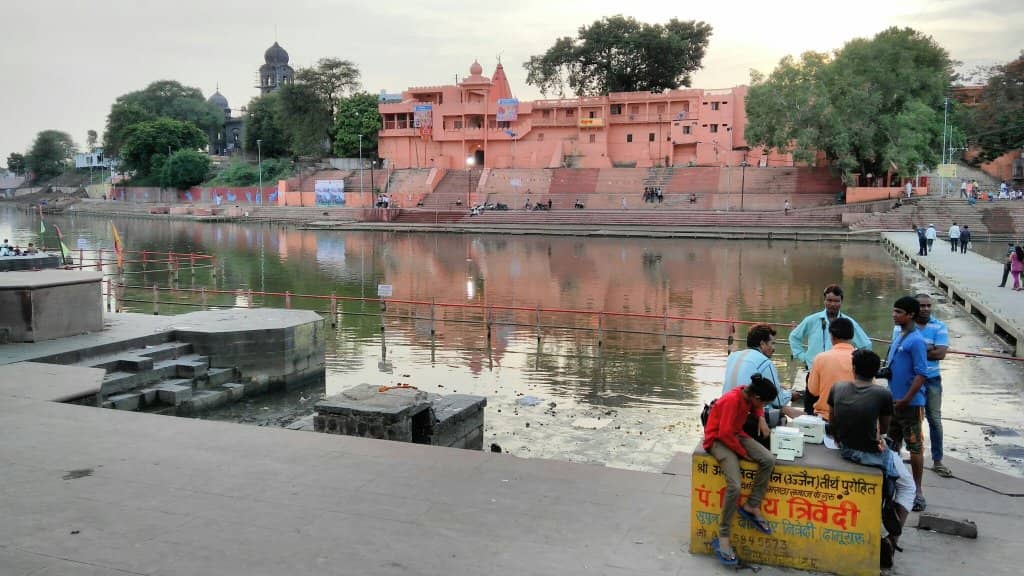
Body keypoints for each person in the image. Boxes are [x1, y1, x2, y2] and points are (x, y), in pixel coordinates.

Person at [828, 349, 915, 561]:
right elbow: (884, 429)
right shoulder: (882, 394)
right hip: (870, 454)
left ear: (854, 368)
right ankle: (893, 539)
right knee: (908, 486)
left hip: (844, 448)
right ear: (876, 372)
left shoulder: (837, 387)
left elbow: (833, 421)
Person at [703, 374, 778, 567]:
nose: (762, 406)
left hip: (736, 434)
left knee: (768, 459)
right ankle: (723, 536)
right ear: (757, 397)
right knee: (735, 487)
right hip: (718, 440)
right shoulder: (731, 401)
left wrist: (761, 419)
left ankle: (752, 505)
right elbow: (724, 434)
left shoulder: (750, 393)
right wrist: (743, 453)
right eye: (764, 403)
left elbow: (757, 408)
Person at [789, 284, 872, 402]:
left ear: (841, 301)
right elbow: (794, 337)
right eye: (829, 300)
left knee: (838, 409)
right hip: (814, 373)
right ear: (824, 300)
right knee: (811, 408)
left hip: (840, 377)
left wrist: (854, 363)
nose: (832, 304)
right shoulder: (812, 320)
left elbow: (866, 345)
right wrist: (803, 357)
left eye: (836, 301)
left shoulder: (849, 323)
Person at [885, 296, 929, 511]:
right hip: (894, 401)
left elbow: (922, 374)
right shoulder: (899, 336)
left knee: (915, 447)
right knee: (891, 446)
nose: (894, 315)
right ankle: (894, 486)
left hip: (910, 404)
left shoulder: (917, 341)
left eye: (898, 312)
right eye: (894, 311)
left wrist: (906, 399)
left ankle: (918, 491)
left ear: (910, 314)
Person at [723, 324, 803, 433]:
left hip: (727, 409)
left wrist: (779, 387)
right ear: (762, 344)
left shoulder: (733, 356)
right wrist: (790, 394)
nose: (774, 348)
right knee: (782, 409)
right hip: (747, 416)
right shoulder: (765, 362)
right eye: (772, 343)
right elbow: (778, 400)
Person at [911, 293, 952, 479]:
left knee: (934, 419)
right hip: (911, 379)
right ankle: (913, 454)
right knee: (912, 419)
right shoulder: (905, 324)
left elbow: (940, 354)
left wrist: (918, 349)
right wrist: (927, 348)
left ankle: (937, 461)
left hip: (932, 379)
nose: (926, 309)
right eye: (922, 306)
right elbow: (903, 350)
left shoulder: (939, 326)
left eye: (929, 305)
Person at [806, 317, 856, 421]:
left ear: (831, 336)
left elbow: (813, 391)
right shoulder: (862, 358)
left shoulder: (821, 358)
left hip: (826, 417)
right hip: (855, 418)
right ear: (851, 336)